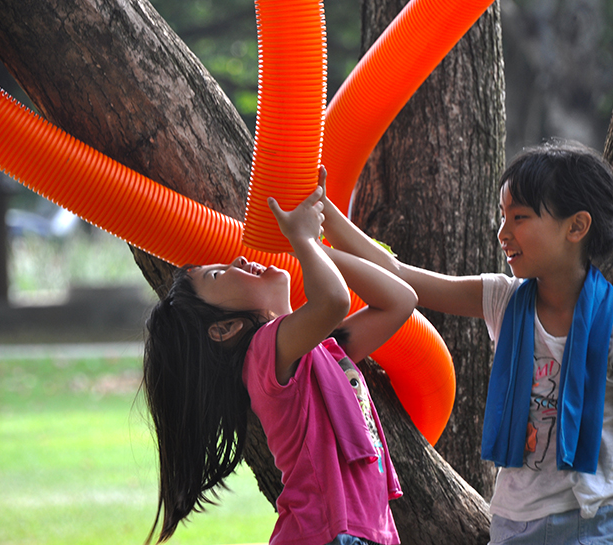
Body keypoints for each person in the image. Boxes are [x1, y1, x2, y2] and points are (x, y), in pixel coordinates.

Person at [318, 141, 613, 545]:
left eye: (519, 217)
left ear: (576, 227)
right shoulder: (503, 299)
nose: (503, 233)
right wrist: (326, 219)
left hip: (596, 523)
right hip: (514, 523)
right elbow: (399, 274)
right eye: (503, 217)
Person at [142, 185, 415, 545]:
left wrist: (316, 230)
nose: (236, 261)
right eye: (217, 275)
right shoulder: (262, 353)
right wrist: (302, 241)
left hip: (363, 532)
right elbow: (334, 300)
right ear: (224, 329)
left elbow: (400, 300)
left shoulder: (323, 350)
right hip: (327, 535)